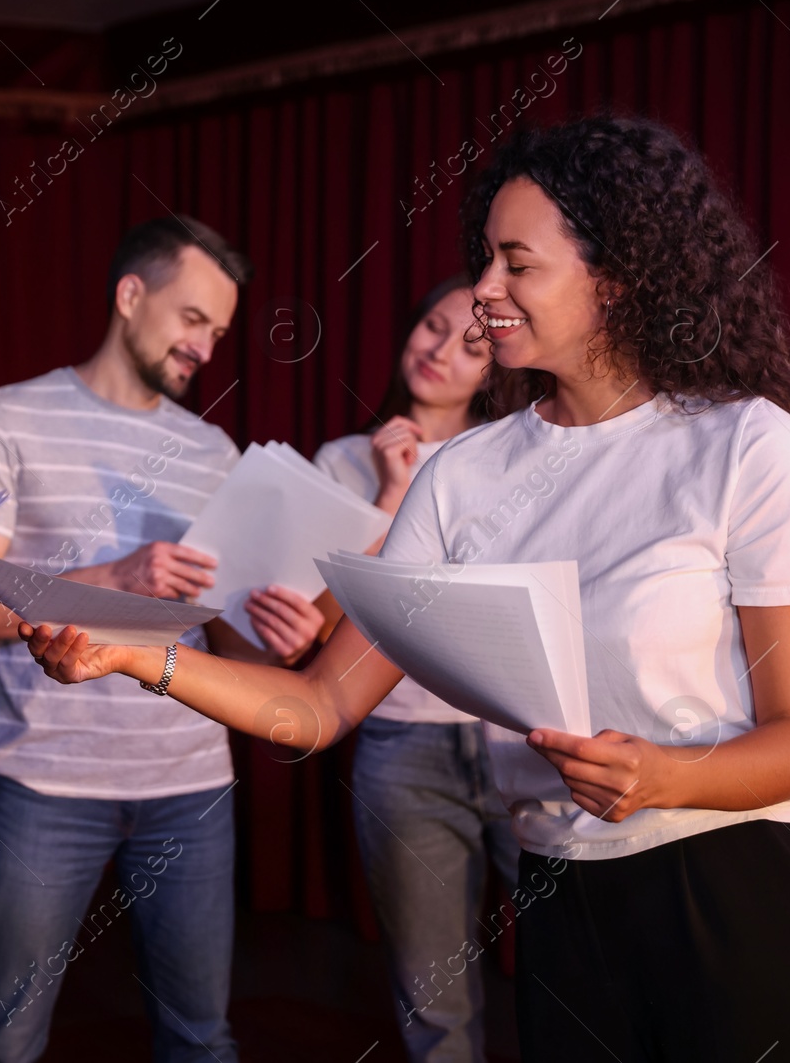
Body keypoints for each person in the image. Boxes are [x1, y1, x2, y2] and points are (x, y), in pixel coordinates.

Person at [18, 115, 790, 1060]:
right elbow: (315, 704)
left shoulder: (744, 443)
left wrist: (666, 775)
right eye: (485, 260)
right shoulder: (462, 474)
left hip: (737, 890)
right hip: (563, 906)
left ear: (620, 275)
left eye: (518, 263)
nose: (483, 291)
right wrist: (134, 653)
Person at [0, 215, 324, 1063]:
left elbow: (230, 643)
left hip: (191, 786)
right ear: (129, 295)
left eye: (218, 333)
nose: (205, 349)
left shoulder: (216, 450)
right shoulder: (8, 420)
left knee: (199, 1036)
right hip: (47, 784)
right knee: (4, 1041)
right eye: (193, 320)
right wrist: (114, 579)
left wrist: (280, 645)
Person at [312, 274, 518, 1062]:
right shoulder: (342, 460)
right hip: (402, 746)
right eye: (432, 326)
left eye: (471, 344)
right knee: (434, 995)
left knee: (572, 968)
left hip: (518, 739)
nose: (439, 350)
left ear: (498, 363)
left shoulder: (514, 455)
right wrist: (395, 489)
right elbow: (321, 623)